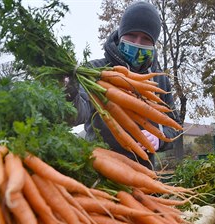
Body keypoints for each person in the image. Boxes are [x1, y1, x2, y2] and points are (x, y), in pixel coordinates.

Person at [67, 1, 182, 170]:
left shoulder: (159, 79)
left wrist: (161, 137)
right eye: (132, 36)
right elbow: (77, 114)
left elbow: (174, 125)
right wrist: (70, 93)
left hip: (143, 175)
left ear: (153, 44)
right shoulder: (94, 70)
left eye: (145, 39)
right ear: (121, 34)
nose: (137, 43)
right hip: (99, 171)